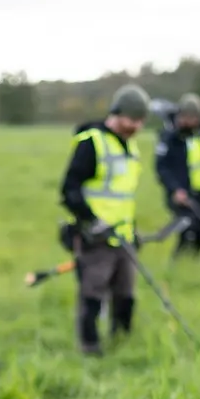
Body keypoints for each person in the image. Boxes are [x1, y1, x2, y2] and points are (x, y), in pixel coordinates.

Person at [57, 83, 151, 356]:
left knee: (126, 294)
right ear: (117, 112)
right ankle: (90, 347)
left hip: (123, 235)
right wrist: (91, 220)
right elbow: (69, 189)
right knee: (93, 292)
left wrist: (132, 229)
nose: (136, 125)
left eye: (141, 120)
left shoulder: (130, 147)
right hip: (95, 237)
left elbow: (123, 195)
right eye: (131, 119)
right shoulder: (92, 142)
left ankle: (121, 341)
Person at [154, 92, 200, 258]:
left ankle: (193, 266)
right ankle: (177, 265)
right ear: (181, 116)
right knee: (189, 230)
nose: (193, 121)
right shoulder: (169, 138)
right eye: (189, 117)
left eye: (196, 118)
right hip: (181, 194)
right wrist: (175, 190)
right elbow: (161, 168)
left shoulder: (199, 135)